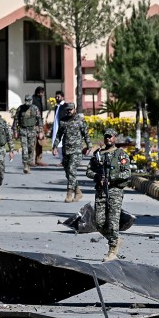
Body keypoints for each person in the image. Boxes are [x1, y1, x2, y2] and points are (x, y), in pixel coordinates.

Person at [87, 129, 133, 262]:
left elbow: (127, 173)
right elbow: (89, 171)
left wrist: (111, 178)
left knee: (113, 221)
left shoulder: (121, 155)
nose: (108, 139)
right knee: (99, 222)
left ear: (115, 139)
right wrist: (97, 176)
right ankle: (115, 239)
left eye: (110, 137)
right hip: (101, 191)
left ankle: (112, 250)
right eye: (106, 137)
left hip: (115, 191)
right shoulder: (98, 155)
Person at [54, 103, 88, 202]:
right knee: (68, 173)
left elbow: (85, 134)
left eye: (71, 109)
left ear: (74, 109)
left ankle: (69, 193)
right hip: (66, 150)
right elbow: (58, 135)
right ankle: (78, 192)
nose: (69, 111)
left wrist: (89, 146)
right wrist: (55, 146)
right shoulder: (63, 121)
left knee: (72, 170)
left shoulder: (80, 120)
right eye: (67, 110)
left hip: (76, 150)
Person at [11, 96, 42, 174]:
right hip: (23, 130)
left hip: (32, 131)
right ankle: (25, 165)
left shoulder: (35, 108)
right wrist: (15, 130)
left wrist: (40, 131)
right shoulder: (20, 108)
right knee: (25, 149)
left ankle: (29, 163)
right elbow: (16, 120)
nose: (28, 104)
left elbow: (39, 120)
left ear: (31, 101)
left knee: (31, 148)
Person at [32, 86, 47, 166]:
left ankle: (38, 159)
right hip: (33, 124)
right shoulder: (33, 100)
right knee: (33, 142)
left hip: (39, 123)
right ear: (38, 92)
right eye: (41, 93)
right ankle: (31, 160)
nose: (42, 94)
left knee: (40, 142)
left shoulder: (39, 100)